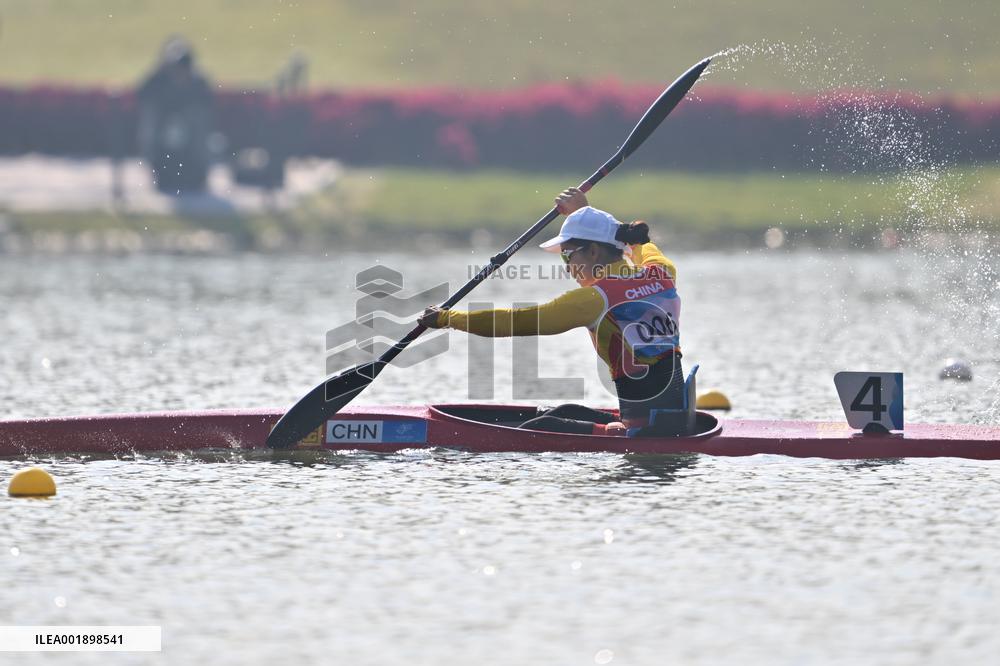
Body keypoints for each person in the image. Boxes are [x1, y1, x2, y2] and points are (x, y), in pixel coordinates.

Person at [419, 187, 683, 437]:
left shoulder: (595, 299)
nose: (567, 267)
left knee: (544, 426)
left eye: (568, 256)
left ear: (593, 251)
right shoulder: (662, 271)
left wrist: (447, 318)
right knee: (565, 413)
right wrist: (584, 215)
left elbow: (516, 321)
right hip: (675, 420)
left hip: (642, 432)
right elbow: (638, 242)